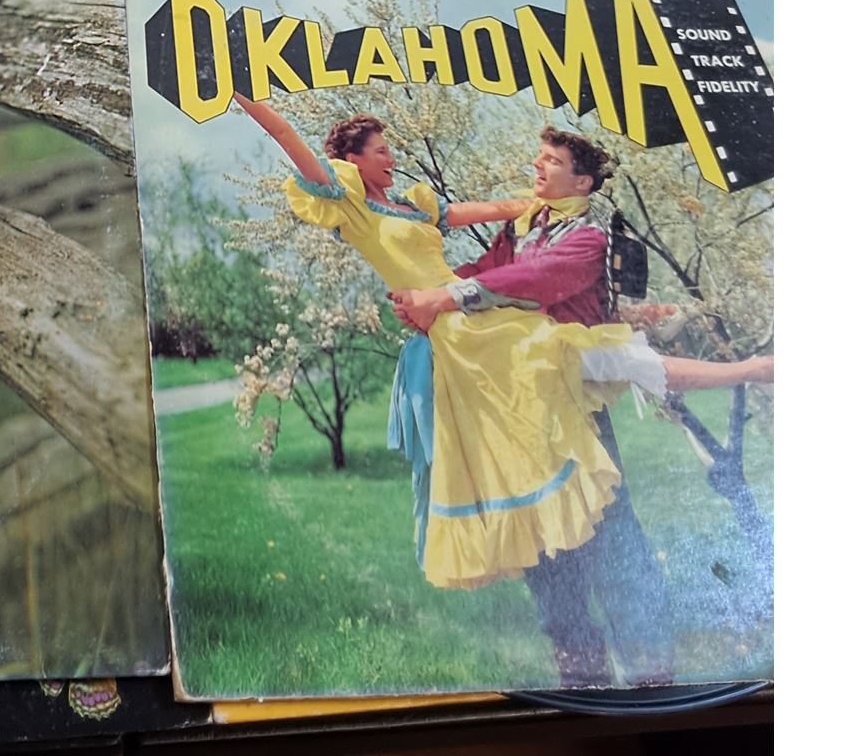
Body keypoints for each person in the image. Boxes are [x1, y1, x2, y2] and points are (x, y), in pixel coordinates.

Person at [236, 96, 770, 615]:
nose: (392, 158)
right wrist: (243, 90)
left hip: (470, 316)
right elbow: (285, 136)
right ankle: (565, 609)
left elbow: (500, 225)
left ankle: (738, 369)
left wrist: (533, 209)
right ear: (352, 162)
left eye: (551, 161)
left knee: (585, 359)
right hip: (459, 334)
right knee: (561, 370)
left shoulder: (426, 208)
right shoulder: (350, 203)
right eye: (381, 151)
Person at [389, 124, 709, 686]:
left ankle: (650, 671)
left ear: (582, 182)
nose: (537, 166)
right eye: (538, 157)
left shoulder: (590, 238)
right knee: (538, 532)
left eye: (552, 161)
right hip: (515, 402)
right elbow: (487, 272)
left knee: (608, 531)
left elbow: (535, 279)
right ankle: (581, 670)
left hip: (571, 403)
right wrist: (424, 297)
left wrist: (447, 296)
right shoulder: (523, 227)